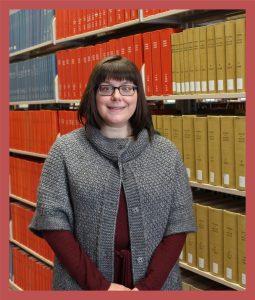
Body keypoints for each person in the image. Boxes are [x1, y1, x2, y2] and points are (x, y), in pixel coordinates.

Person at [29, 55, 196, 291]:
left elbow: (178, 224)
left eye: (127, 88)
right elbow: (53, 223)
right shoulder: (65, 151)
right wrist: (101, 287)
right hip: (82, 285)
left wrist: (147, 288)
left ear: (138, 96)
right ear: (93, 95)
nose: (117, 96)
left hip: (155, 286)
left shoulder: (165, 152)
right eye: (107, 88)